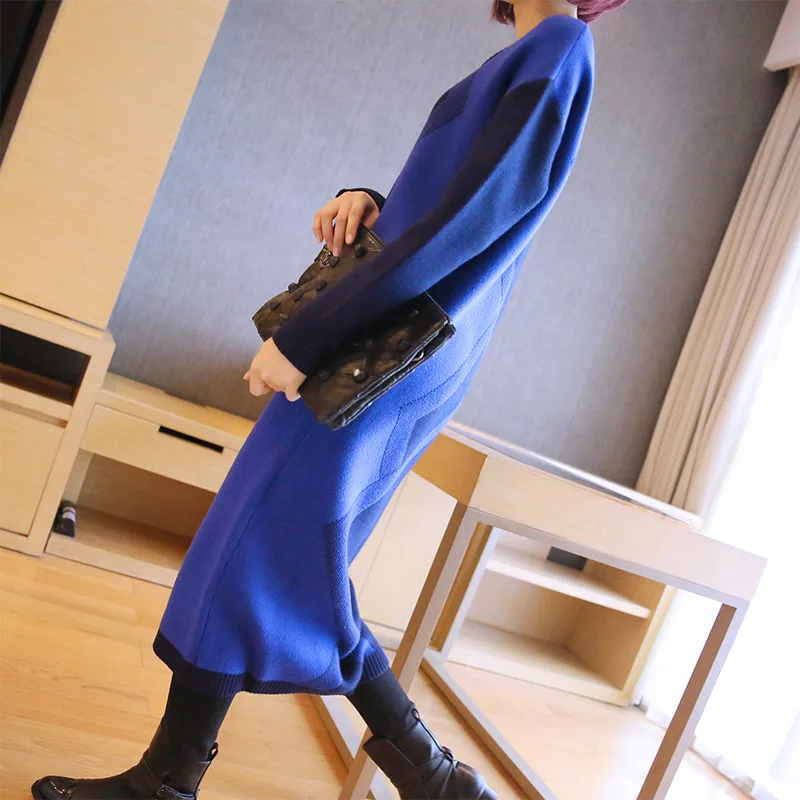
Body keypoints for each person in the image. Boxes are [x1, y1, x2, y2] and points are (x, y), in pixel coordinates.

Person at [31, 1, 625, 798]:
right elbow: (448, 206)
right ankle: (432, 780)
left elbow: (471, 221)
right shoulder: (534, 54)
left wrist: (309, 335)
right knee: (285, 547)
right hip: (397, 335)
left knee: (258, 539)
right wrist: (369, 199)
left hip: (391, 347)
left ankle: (169, 784)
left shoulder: (560, 43)